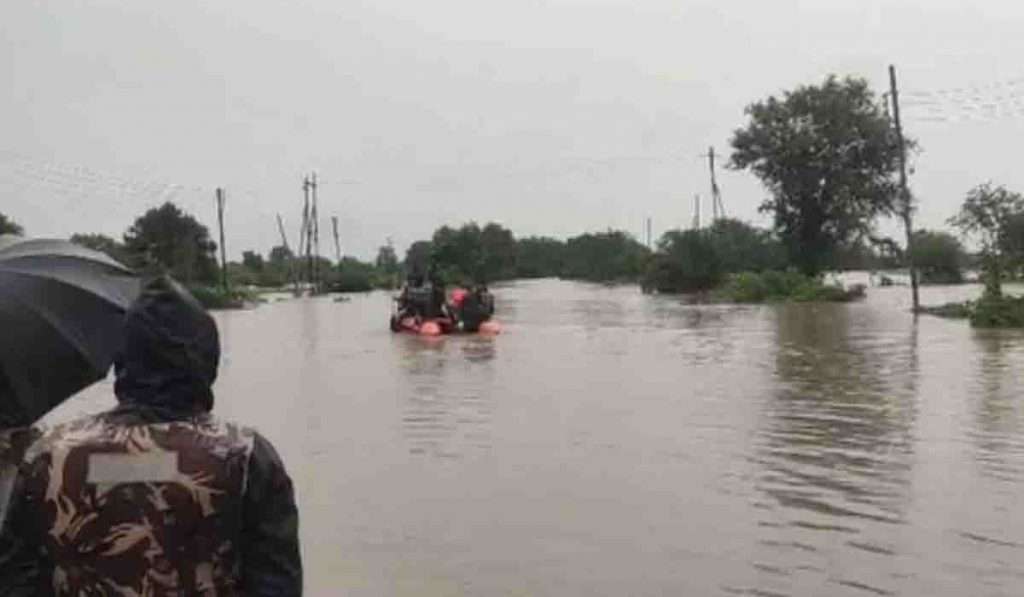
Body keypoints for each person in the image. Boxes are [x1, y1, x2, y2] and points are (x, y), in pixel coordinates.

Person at [0, 276, 302, 595]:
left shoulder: (48, 456)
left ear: (122, 359)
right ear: (206, 359)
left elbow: (15, 582)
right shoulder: (246, 456)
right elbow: (278, 585)